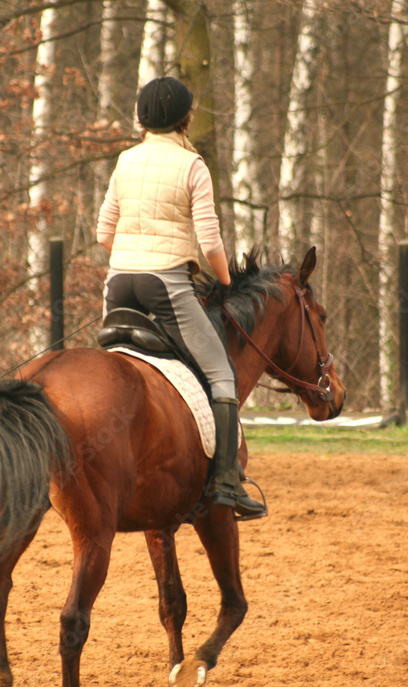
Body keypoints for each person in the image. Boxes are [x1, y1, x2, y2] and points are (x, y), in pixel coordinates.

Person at [96, 76, 266, 520]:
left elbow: (102, 234)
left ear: (142, 118)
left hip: (117, 287)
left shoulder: (125, 160)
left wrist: (133, 259)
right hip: (165, 286)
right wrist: (226, 281)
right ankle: (227, 483)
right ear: (186, 119)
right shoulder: (193, 165)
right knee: (222, 373)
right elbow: (210, 240)